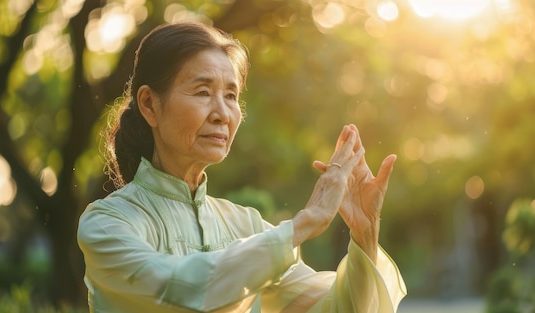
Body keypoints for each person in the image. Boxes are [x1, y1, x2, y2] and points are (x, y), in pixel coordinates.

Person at [77, 21, 406, 313]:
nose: (222, 113)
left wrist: (365, 233)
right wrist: (303, 224)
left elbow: (334, 309)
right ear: (150, 104)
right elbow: (181, 292)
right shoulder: (107, 224)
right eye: (203, 92)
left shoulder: (246, 225)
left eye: (231, 96)